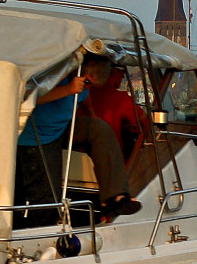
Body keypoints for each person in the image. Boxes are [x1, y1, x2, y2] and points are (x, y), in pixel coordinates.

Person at [14, 42, 140, 227]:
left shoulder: (83, 84)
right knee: (47, 194)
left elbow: (84, 96)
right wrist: (68, 89)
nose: (87, 88)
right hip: (38, 135)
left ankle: (114, 197)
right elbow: (32, 98)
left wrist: (92, 115)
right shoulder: (56, 74)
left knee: (100, 129)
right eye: (87, 83)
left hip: (63, 126)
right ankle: (44, 230)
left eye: (91, 86)